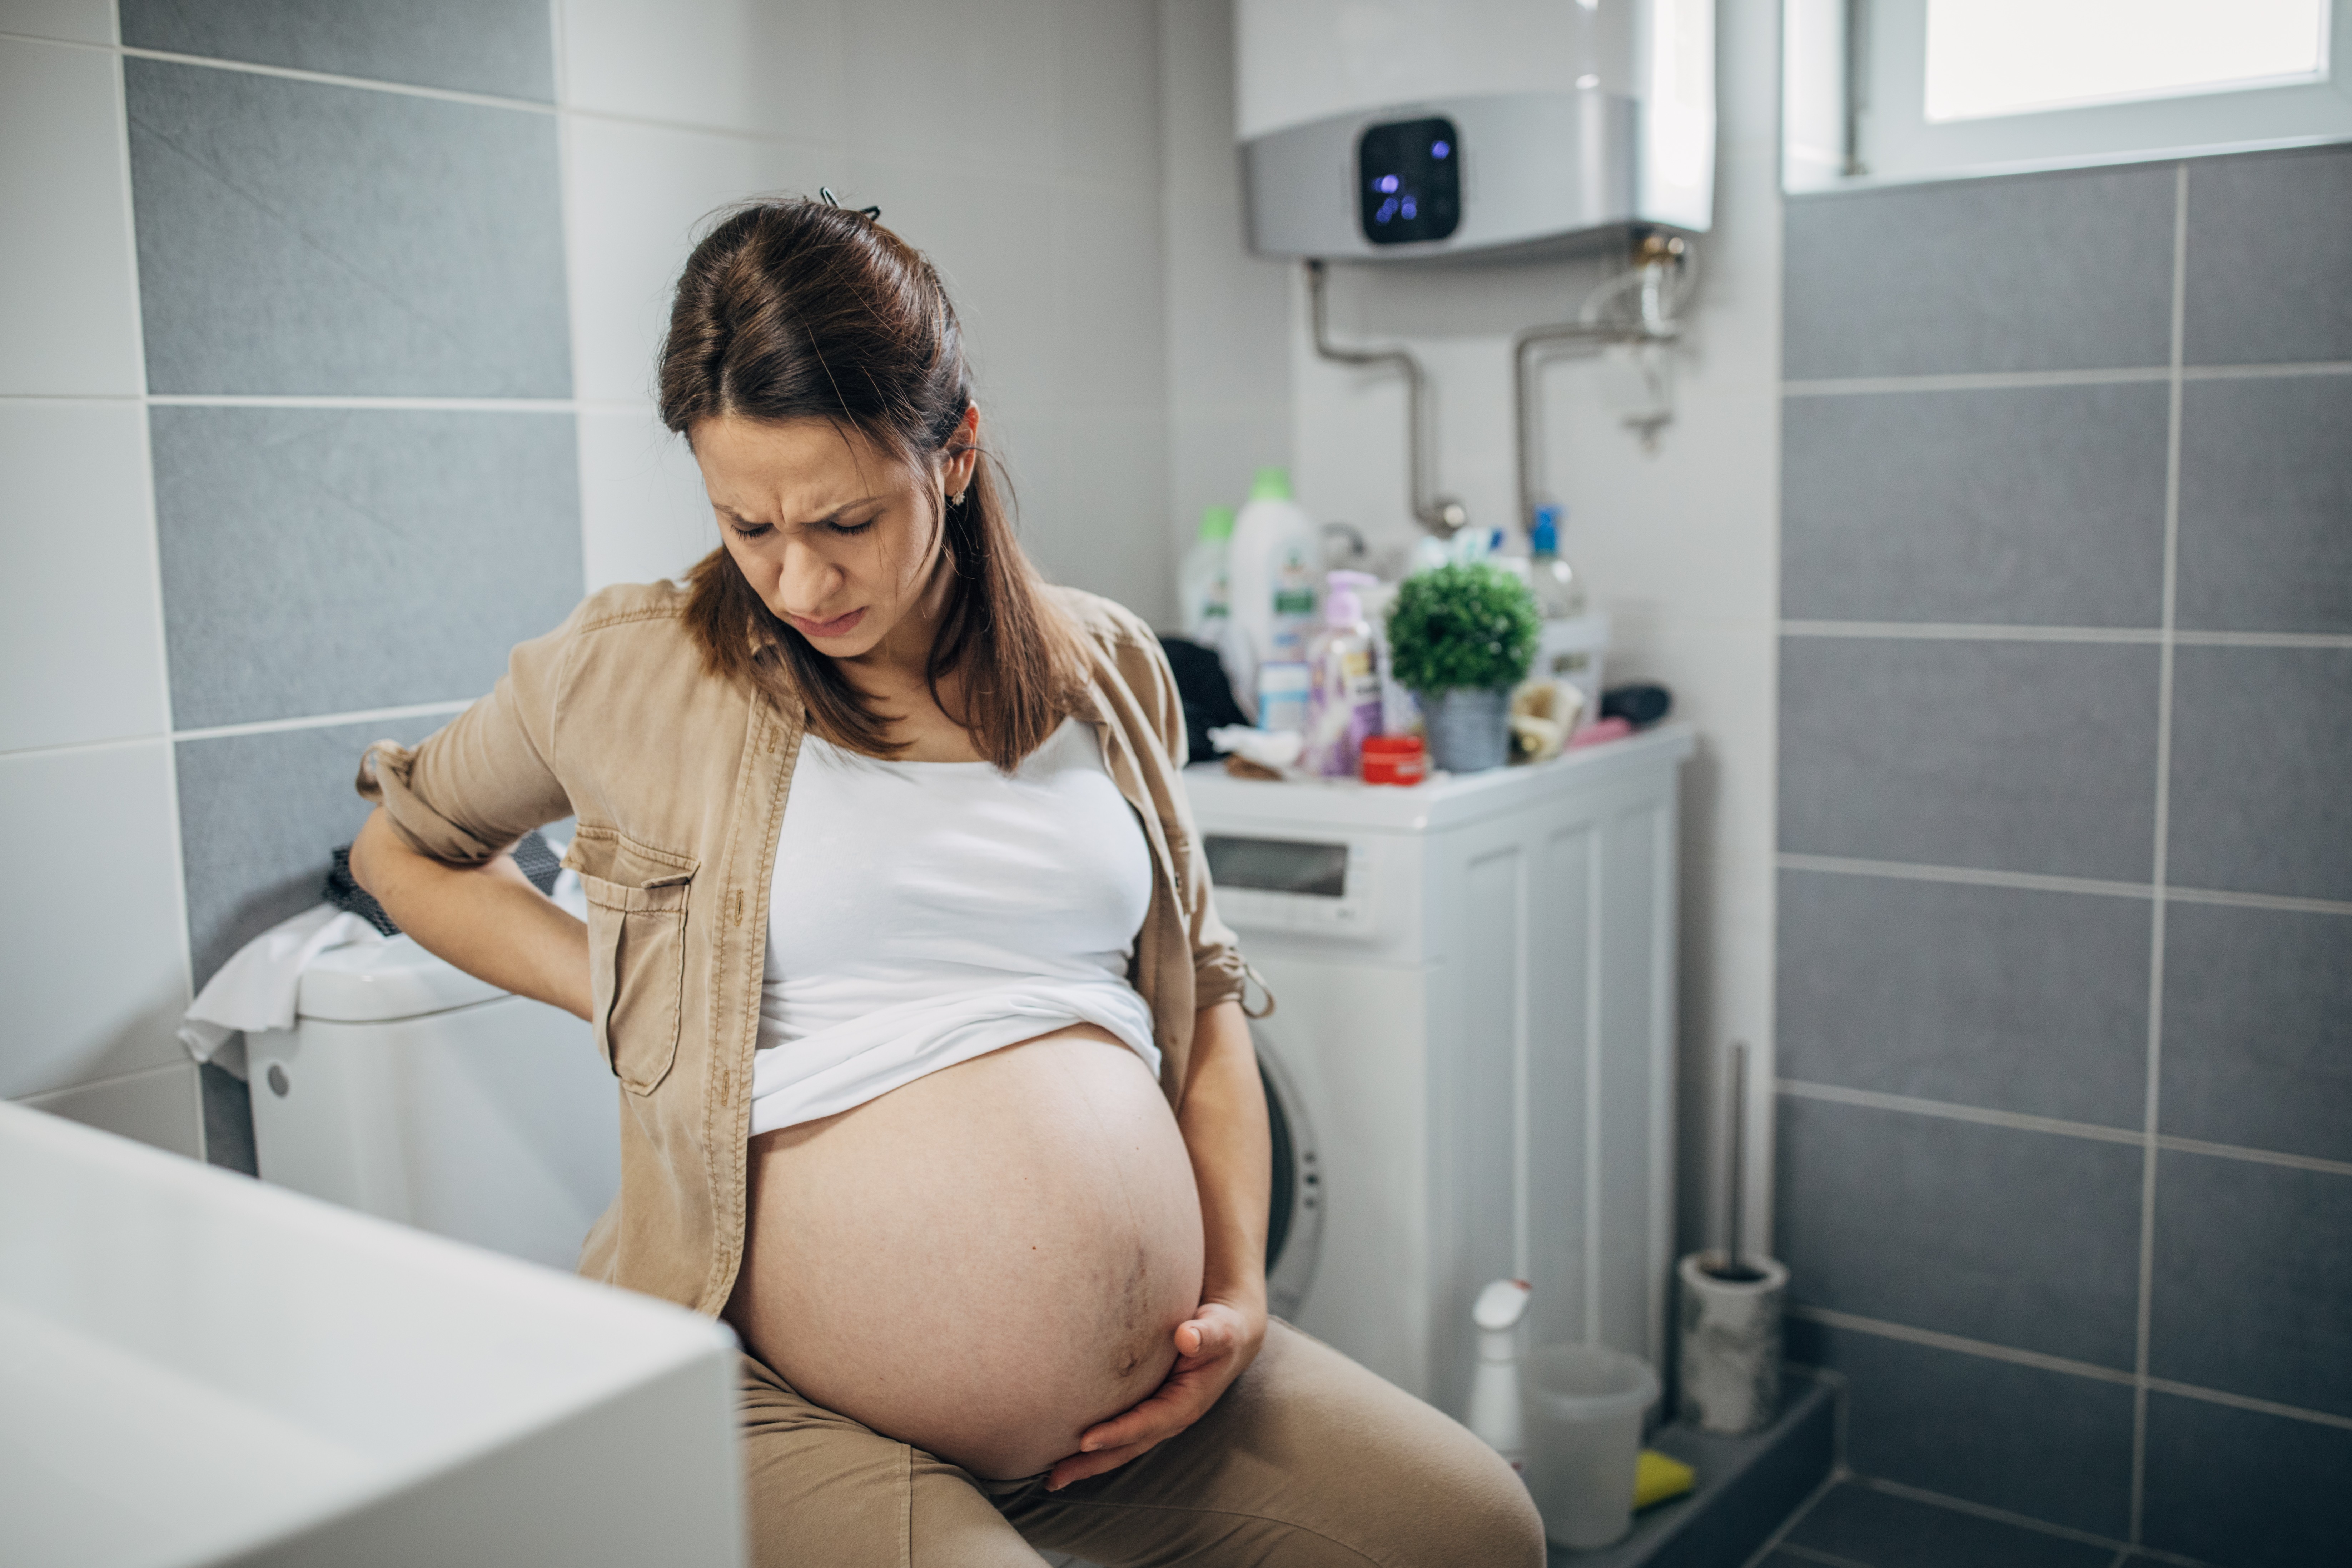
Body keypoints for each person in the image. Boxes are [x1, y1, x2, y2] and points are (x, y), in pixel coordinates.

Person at [350, 198, 1543, 1568]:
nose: (798, 577)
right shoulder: (629, 667)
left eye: (846, 519)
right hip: (778, 1398)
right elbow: (404, 848)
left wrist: (1234, 1295)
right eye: (747, 524)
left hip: (1147, 1399)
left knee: (1473, 1531)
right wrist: (620, 990)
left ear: (955, 451)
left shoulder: (1106, 668)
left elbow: (1207, 1004)